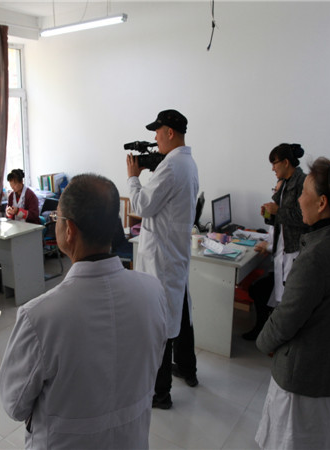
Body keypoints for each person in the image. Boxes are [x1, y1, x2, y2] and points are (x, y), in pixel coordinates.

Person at [0, 174, 167, 450]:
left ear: (70, 231)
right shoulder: (153, 292)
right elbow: (151, 364)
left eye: (57, 218)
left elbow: (13, 404)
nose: (55, 222)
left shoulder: (39, 317)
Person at [255, 157, 330, 449]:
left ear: (321, 203)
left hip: (305, 379)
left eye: (304, 192)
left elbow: (286, 319)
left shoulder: (318, 256)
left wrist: (262, 342)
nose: (298, 200)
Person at [127, 109, 199, 409]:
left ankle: (160, 394)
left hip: (163, 258)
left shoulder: (171, 166)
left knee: (160, 325)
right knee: (179, 311)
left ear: (170, 132)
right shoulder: (187, 162)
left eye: (158, 132)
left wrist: (133, 178)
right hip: (174, 253)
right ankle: (187, 368)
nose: (155, 138)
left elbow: (142, 205)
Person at [243, 143, 308, 340]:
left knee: (287, 302)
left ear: (286, 162)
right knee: (278, 298)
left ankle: (281, 339)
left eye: (274, 163)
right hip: (282, 247)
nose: (272, 168)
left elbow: (303, 217)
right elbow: (280, 218)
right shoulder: (285, 183)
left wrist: (278, 211)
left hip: (294, 250)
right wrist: (269, 213)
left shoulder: (303, 183)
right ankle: (273, 336)